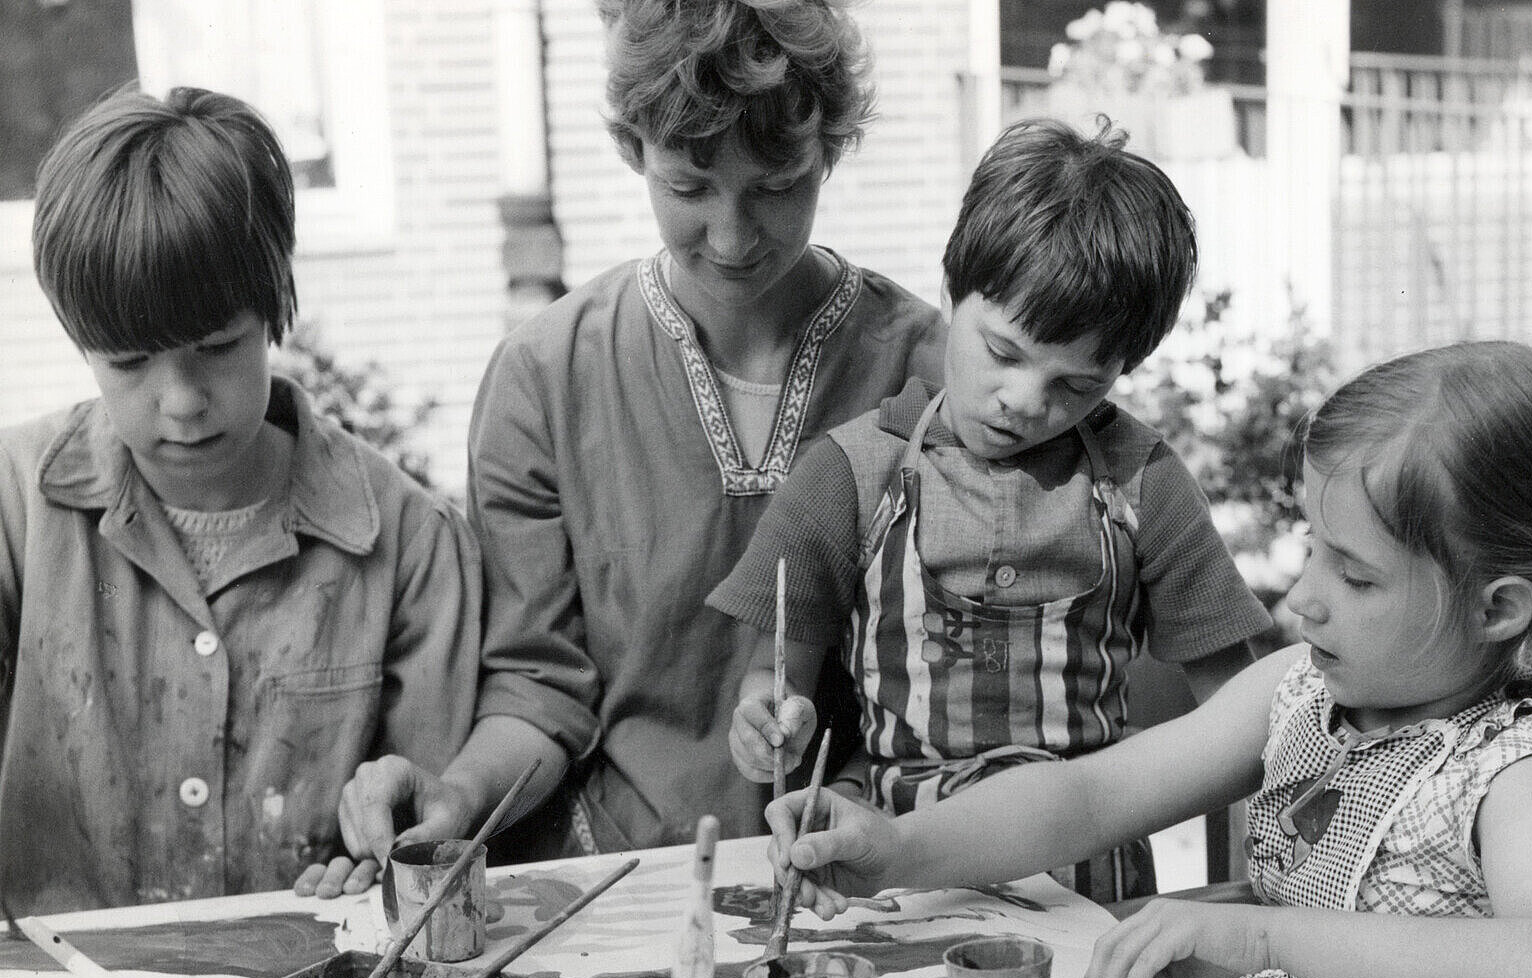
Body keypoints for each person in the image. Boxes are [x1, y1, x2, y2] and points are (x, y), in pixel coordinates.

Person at [766, 341, 1532, 978]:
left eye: (1356, 577)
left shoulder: (1526, 769)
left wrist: (1267, 939)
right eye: (1313, 548)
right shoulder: (1299, 692)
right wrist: (899, 848)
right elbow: (1090, 796)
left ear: (1497, 609)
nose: (1304, 597)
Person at [308, 0, 946, 889]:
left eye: (776, 185)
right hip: (613, 880)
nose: (731, 236)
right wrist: (458, 796)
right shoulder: (544, 377)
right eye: (688, 188)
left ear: (828, 150)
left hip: (857, 872)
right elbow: (539, 688)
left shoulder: (927, 371)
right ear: (633, 150)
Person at [710, 117, 1271, 903]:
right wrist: (766, 720)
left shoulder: (1145, 484)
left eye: (1077, 385)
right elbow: (774, 683)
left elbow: (1239, 720)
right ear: (951, 288)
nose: (1025, 402)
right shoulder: (849, 476)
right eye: (1004, 352)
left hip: (1089, 893)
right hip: (900, 886)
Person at [0, 86, 481, 915]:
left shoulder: (409, 540)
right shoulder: (12, 509)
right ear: (81, 343)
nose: (183, 401)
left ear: (275, 305)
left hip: (317, 976)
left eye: (219, 346)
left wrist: (379, 865)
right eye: (131, 362)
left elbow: (424, 823)